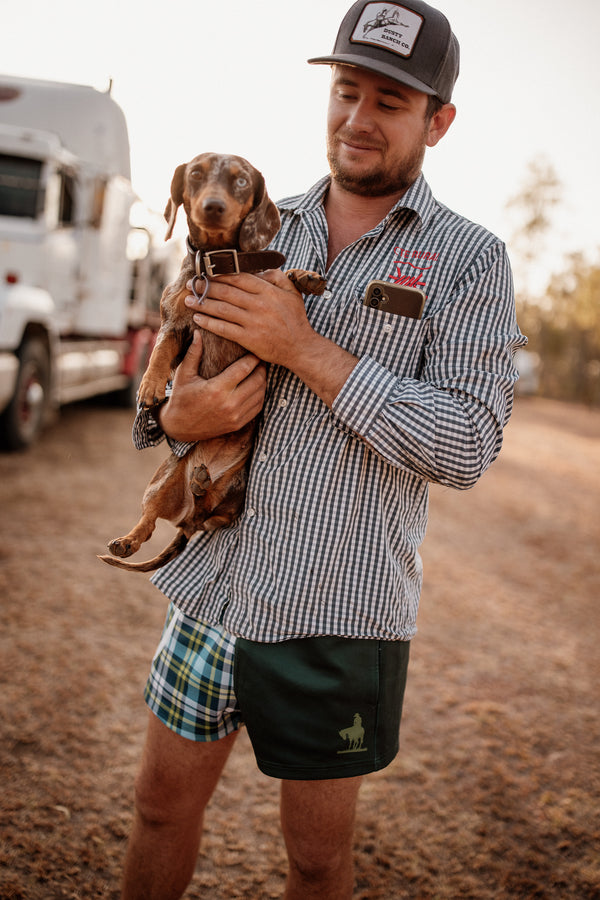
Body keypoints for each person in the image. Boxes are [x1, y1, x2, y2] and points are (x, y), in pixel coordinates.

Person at [120, 2, 527, 898]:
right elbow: (160, 396)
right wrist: (172, 421)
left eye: (390, 99)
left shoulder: (469, 262)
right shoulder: (259, 226)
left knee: (315, 861)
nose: (358, 117)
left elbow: (465, 444)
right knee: (156, 811)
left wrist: (306, 348)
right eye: (347, 90)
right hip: (214, 590)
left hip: (338, 612)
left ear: (438, 121)